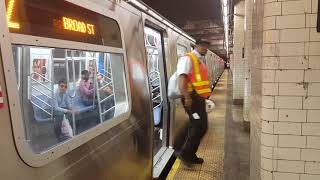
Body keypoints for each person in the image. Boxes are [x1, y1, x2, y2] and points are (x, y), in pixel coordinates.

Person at [176, 39, 212, 166]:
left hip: (198, 100)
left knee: (197, 125)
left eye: (206, 46)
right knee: (199, 125)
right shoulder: (187, 59)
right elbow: (182, 78)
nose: (205, 48)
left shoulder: (198, 60)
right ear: (195, 46)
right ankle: (186, 154)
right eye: (202, 46)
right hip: (192, 99)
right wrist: (187, 97)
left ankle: (186, 152)